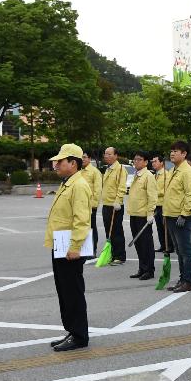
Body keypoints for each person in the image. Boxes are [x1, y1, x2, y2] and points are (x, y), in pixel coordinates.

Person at [45, 144, 92, 352]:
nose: (56, 165)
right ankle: (73, 330)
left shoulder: (79, 185)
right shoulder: (68, 183)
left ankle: (80, 335)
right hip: (60, 244)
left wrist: (75, 247)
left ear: (73, 163)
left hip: (70, 247)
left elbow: (82, 220)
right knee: (64, 291)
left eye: (60, 162)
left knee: (72, 291)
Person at [163, 141, 191, 292]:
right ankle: (182, 279)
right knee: (178, 250)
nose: (172, 153)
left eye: (176, 151)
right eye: (171, 150)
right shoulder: (173, 170)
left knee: (186, 250)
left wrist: (184, 214)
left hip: (182, 216)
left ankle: (188, 281)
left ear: (184, 154)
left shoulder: (187, 172)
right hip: (171, 215)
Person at [127, 150, 157, 281]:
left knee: (146, 244)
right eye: (135, 159)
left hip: (143, 215)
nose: (136, 161)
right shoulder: (136, 174)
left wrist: (150, 213)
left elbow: (152, 196)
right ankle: (142, 268)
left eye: (139, 159)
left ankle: (149, 270)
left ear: (146, 162)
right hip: (134, 213)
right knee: (138, 243)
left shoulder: (148, 176)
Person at [102, 147, 127, 265]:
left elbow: (122, 187)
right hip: (106, 204)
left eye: (109, 154)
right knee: (109, 231)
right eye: (105, 154)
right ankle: (112, 253)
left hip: (115, 205)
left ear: (116, 156)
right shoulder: (108, 169)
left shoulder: (120, 169)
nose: (106, 156)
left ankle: (120, 256)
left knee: (116, 231)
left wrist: (118, 201)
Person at [80, 151, 102, 255]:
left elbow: (98, 190)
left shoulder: (94, 172)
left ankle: (93, 250)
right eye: (81, 157)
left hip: (90, 206)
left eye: (84, 157)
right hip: (80, 206)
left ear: (89, 159)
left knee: (91, 228)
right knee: (82, 227)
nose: (83, 159)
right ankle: (85, 249)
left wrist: (94, 205)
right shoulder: (79, 171)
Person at [151, 154, 168, 252]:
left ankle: (168, 246)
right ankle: (163, 245)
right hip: (156, 204)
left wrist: (153, 193)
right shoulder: (155, 175)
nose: (153, 163)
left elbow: (166, 190)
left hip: (163, 205)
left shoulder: (166, 174)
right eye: (152, 161)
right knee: (159, 227)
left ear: (161, 163)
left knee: (165, 227)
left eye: (155, 161)